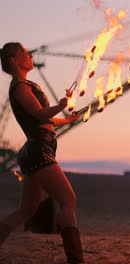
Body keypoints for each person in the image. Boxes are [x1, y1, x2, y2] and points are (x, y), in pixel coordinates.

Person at [0, 42, 84, 263]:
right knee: (69, 201)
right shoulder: (20, 86)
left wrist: (67, 118)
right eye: (25, 53)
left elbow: (45, 118)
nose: (30, 56)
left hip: (35, 150)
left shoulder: (25, 85)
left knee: (26, 210)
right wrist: (60, 104)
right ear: (13, 60)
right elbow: (39, 114)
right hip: (38, 150)